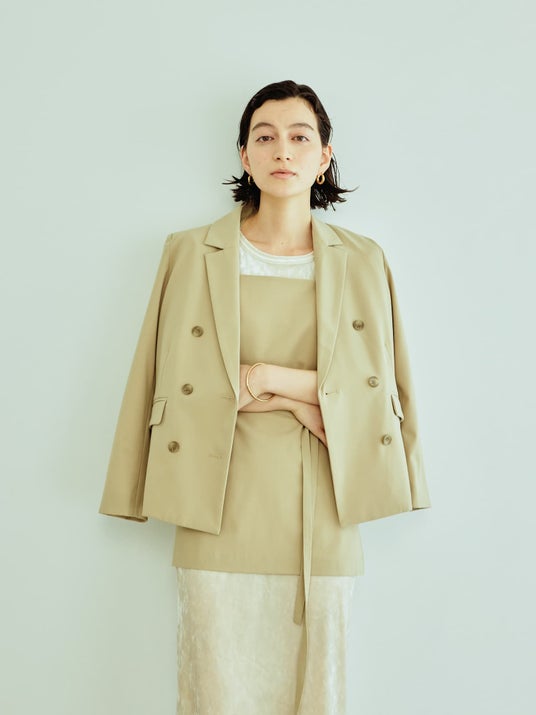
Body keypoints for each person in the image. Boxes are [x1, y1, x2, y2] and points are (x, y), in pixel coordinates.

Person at [99, 79, 431, 715]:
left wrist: (267, 379)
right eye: (265, 136)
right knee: (214, 692)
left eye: (300, 137)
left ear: (324, 156)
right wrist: (310, 399)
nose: (283, 150)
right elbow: (168, 381)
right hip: (214, 504)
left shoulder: (364, 260)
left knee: (317, 692)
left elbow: (375, 395)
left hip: (324, 509)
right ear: (244, 156)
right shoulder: (189, 252)